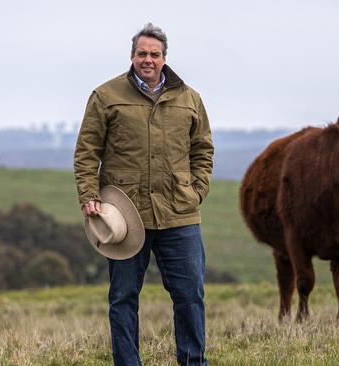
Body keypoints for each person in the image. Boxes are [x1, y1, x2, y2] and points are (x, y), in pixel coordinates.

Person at [74, 23, 214, 366]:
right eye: (142, 54)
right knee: (122, 297)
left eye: (154, 54)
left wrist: (196, 192)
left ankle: (193, 361)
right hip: (124, 217)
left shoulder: (190, 98)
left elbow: (203, 150)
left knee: (190, 296)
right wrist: (89, 194)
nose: (147, 60)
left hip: (179, 214)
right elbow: (86, 151)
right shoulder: (105, 96)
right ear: (132, 56)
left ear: (164, 58)